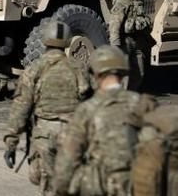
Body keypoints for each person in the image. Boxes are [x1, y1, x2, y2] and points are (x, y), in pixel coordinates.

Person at [55, 45, 158, 196]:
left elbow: (69, 158)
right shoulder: (142, 104)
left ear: (96, 74)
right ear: (123, 73)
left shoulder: (87, 109)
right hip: (139, 184)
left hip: (99, 185)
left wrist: (61, 188)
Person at [3, 20, 91, 196]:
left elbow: (21, 108)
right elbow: (90, 101)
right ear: (67, 41)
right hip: (74, 133)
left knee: (47, 184)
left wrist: (11, 143)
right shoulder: (79, 68)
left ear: (44, 40)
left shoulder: (35, 69)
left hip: (45, 133)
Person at [108, 0, 152, 91]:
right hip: (124, 43)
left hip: (137, 42)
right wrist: (115, 46)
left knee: (139, 73)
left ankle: (130, 97)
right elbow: (114, 24)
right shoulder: (123, 1)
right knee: (123, 76)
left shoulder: (138, 0)